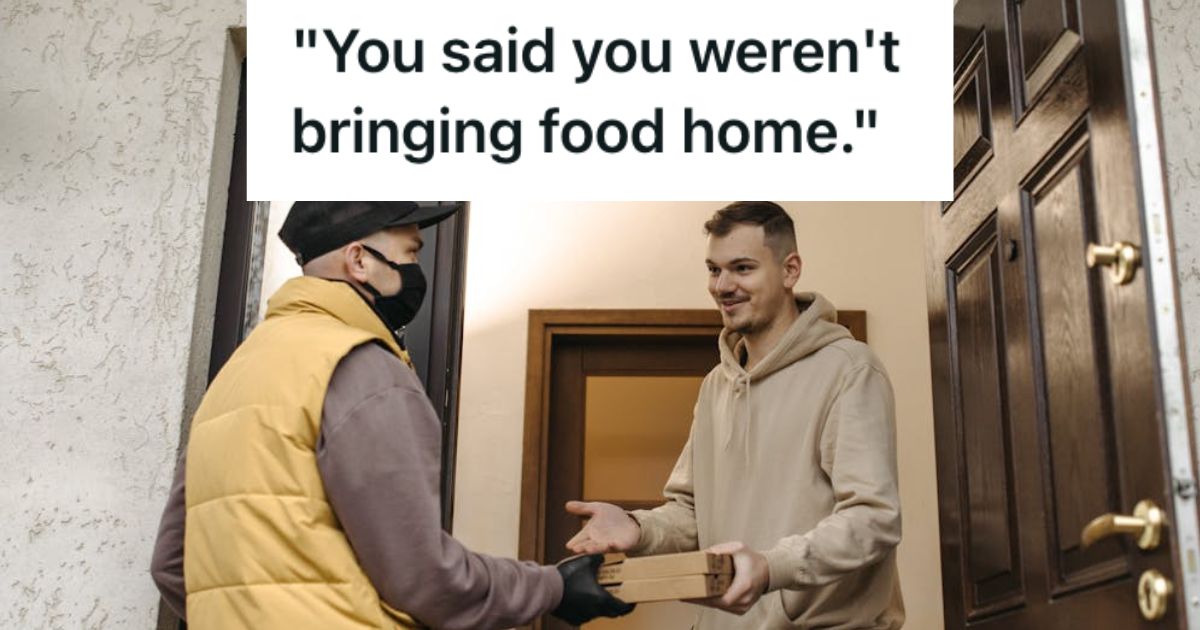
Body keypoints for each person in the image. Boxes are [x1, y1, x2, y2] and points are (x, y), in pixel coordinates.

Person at [151, 201, 633, 629]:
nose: (414, 268)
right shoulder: (361, 366)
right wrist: (552, 587)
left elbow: (173, 565)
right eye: (412, 253)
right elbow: (423, 578)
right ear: (359, 260)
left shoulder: (240, 373)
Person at [565, 202, 904, 629]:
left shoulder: (849, 369)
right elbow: (692, 512)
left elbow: (874, 519)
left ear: (790, 270)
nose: (723, 285)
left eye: (742, 268)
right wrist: (638, 528)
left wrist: (770, 566)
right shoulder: (715, 386)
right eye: (714, 269)